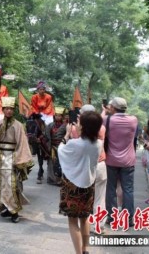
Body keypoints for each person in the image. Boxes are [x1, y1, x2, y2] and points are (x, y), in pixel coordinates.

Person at [58, 111, 103, 254]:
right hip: (89, 185)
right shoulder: (99, 144)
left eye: (79, 123)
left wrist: (66, 136)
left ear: (83, 127)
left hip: (73, 186)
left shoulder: (74, 143)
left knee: (73, 221)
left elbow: (61, 151)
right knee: (85, 218)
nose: (76, 125)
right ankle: (85, 249)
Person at [0, 97, 33, 223]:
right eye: (6, 109)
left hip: (13, 158)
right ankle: (7, 208)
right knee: (2, 186)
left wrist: (18, 159)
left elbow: (22, 143)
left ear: (13, 110)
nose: (8, 111)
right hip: (0, 158)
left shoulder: (18, 126)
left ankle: (15, 212)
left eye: (11, 109)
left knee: (13, 186)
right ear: (3, 110)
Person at [66, 104, 107, 235]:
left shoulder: (75, 129)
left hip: (83, 167)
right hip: (100, 164)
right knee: (100, 197)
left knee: (85, 197)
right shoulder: (101, 128)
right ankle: (98, 225)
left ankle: (84, 224)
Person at [102, 97, 138, 225]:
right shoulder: (134, 120)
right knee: (128, 189)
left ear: (112, 107)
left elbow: (101, 129)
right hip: (128, 161)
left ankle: (111, 217)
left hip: (111, 160)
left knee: (111, 188)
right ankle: (129, 219)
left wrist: (104, 111)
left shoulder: (107, 120)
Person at [45, 107, 67, 186]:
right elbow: (47, 137)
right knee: (52, 163)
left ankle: (62, 179)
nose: (58, 117)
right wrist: (48, 147)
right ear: (54, 116)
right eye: (56, 115)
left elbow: (67, 137)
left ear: (62, 117)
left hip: (62, 147)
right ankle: (52, 179)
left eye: (60, 116)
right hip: (52, 147)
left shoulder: (65, 126)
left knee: (62, 163)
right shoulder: (50, 125)